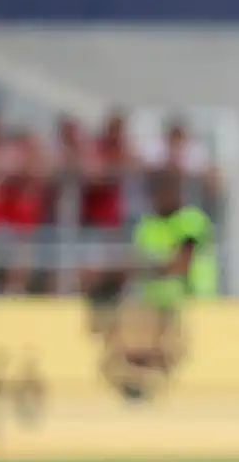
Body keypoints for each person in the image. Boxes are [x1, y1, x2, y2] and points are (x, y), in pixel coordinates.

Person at [91, 169, 217, 400]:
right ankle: (136, 378)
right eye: (157, 191)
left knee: (165, 343)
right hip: (151, 303)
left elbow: (180, 263)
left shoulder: (191, 220)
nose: (161, 197)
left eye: (166, 190)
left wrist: (145, 269)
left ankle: (146, 375)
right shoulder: (147, 225)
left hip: (189, 301)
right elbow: (134, 263)